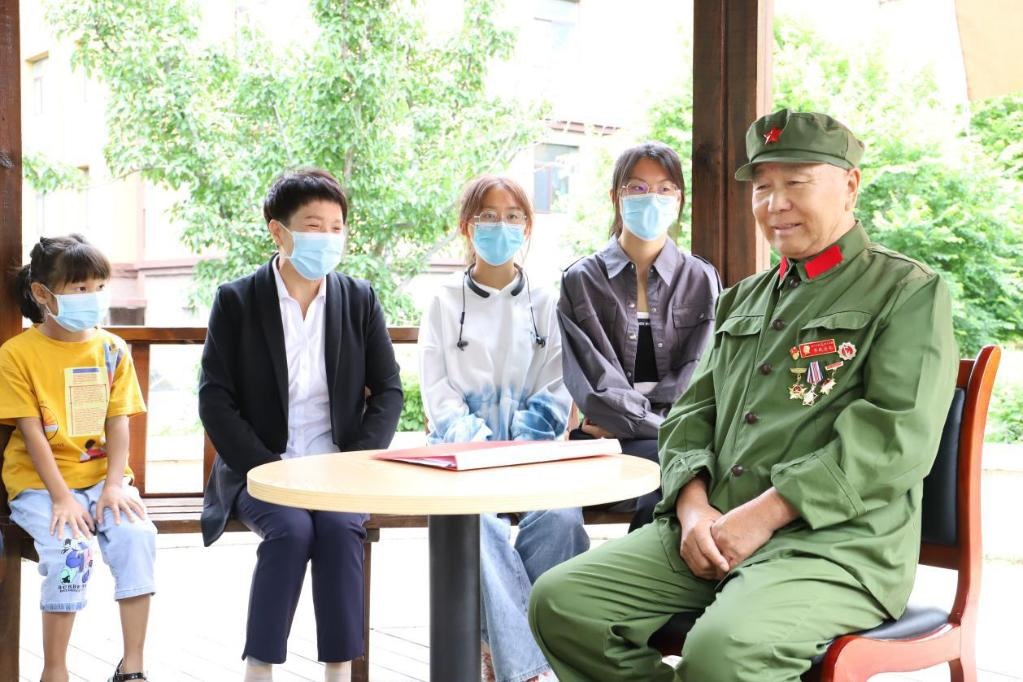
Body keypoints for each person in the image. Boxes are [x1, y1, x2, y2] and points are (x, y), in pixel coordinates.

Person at [529, 109, 959, 681]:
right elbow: (690, 414)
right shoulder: (743, 298)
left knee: (722, 652)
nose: (775, 204)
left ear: (850, 185)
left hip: (833, 548)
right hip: (714, 530)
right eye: (762, 188)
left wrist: (764, 515)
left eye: (796, 182)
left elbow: (894, 437)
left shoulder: (905, 291)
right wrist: (692, 508)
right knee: (562, 603)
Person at [199, 168, 403, 682]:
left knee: (339, 528)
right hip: (262, 467)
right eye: (314, 226)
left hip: (339, 469)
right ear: (279, 231)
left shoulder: (359, 299)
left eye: (337, 227)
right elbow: (214, 399)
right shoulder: (237, 301)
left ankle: (339, 671)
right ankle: (259, 668)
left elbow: (389, 391)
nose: (328, 238)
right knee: (290, 531)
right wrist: (267, 469)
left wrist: (353, 463)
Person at [418, 174, 586, 682]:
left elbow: (557, 385)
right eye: (488, 216)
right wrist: (482, 449)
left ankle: (501, 648)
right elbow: (437, 391)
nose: (501, 226)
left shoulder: (546, 301)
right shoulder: (443, 301)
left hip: (534, 455)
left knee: (561, 521)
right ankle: (530, 668)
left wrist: (521, 451)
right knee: (474, 526)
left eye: (513, 216)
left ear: (527, 227)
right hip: (461, 455)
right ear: (467, 227)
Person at [0, 234, 155, 682]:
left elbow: (119, 423)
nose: (92, 297)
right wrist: (62, 497)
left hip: (104, 480)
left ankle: (133, 667)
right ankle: (55, 670)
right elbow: (32, 434)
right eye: (79, 288)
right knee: (72, 552)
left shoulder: (112, 349)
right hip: (40, 485)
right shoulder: (17, 354)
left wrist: (114, 487)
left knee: (137, 538)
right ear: (42, 293)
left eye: (99, 287)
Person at [558, 142, 720, 531]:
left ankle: (636, 564)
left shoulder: (701, 279)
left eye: (665, 188)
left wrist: (649, 425)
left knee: (670, 471)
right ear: (616, 197)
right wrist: (663, 427)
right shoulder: (582, 280)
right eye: (637, 188)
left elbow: (701, 376)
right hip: (605, 443)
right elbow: (596, 388)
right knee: (676, 466)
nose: (652, 198)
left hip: (672, 435)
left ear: (679, 200)